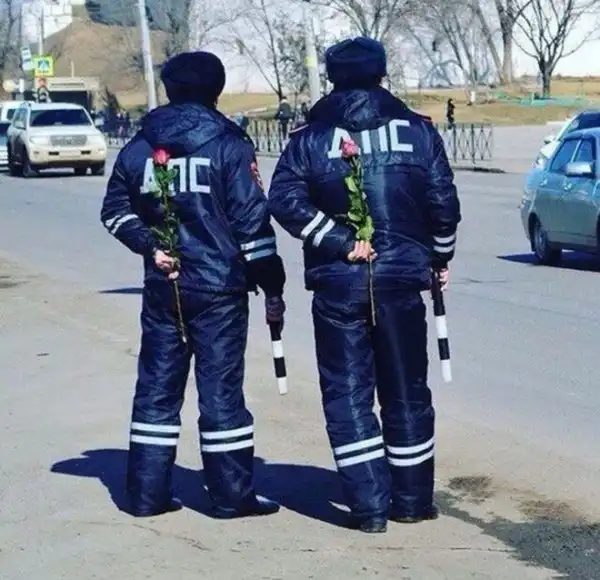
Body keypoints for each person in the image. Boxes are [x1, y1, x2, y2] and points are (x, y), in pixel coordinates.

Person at [267, 37, 461, 533]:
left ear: (332, 78)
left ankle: (370, 507)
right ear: (382, 74)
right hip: (401, 282)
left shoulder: (309, 139)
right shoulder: (418, 131)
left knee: (348, 395)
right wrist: (439, 257)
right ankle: (412, 502)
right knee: (406, 391)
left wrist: (338, 242)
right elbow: (443, 203)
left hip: (338, 285)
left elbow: (284, 201)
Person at [100, 50, 286, 519]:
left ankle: (146, 496)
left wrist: (150, 247)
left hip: (164, 287)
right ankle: (230, 497)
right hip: (219, 290)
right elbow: (251, 224)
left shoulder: (139, 146)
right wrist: (272, 282)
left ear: (169, 90)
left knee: (156, 390)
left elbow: (115, 211)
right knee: (221, 393)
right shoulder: (229, 144)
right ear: (216, 91)